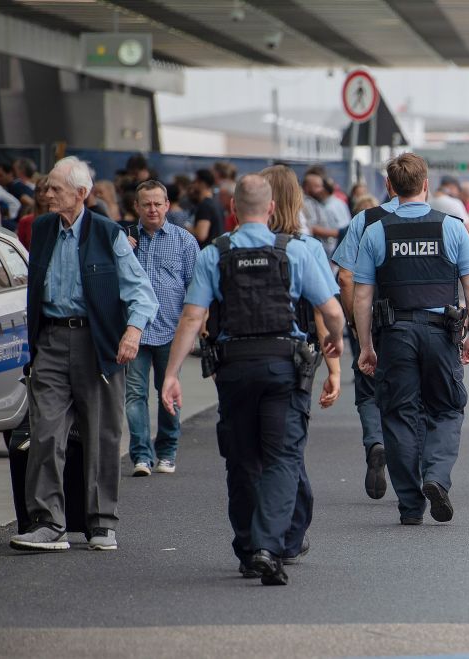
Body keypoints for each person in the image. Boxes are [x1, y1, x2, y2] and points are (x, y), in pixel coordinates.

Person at [161, 174, 344, 586]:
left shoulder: (215, 253)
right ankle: (268, 545)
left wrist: (171, 374)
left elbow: (193, 316)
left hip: (234, 369)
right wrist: (335, 343)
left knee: (241, 460)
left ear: (232, 210)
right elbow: (331, 310)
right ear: (273, 209)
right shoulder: (294, 251)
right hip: (284, 367)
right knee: (282, 458)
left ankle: (247, 548)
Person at [9, 157, 158, 552]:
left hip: (97, 344)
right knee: (44, 432)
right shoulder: (41, 229)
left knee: (101, 435)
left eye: (55, 188)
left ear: (81, 194)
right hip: (52, 342)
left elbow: (143, 293)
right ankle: (47, 523)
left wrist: (132, 332)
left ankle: (101, 522)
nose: (46, 193)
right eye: (47, 187)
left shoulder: (108, 234)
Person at [353, 153, 469, 525]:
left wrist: (366, 345)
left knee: (398, 415)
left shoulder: (376, 230)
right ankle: (437, 477)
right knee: (446, 408)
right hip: (441, 332)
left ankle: (410, 505)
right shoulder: (453, 228)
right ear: (425, 184)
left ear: (391, 187)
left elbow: (362, 296)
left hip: (394, 334)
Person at [260, 165, 344, 565]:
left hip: (237, 362)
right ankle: (289, 533)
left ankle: (254, 539)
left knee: (250, 451)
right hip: (290, 361)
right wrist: (336, 369)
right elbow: (326, 315)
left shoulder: (228, 247)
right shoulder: (306, 248)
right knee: (288, 446)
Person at [123, 180, 199, 477]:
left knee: (168, 394)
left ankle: (167, 452)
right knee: (134, 396)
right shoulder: (124, 241)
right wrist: (123, 251)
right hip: (135, 332)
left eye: (158, 203)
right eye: (147, 204)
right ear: (137, 207)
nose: (152, 209)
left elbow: (196, 289)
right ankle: (142, 455)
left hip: (172, 331)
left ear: (167, 205)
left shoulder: (184, 241)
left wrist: (196, 330)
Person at [331, 176, 399, 501]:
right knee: (411, 394)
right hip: (416, 323)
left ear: (389, 184)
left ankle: (376, 442)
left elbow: (344, 276)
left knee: (369, 391)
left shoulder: (365, 220)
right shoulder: (437, 221)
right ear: (424, 184)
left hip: (370, 319)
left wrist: (356, 326)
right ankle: (411, 469)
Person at [302, 171, 343, 256]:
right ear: (307, 187)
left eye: (321, 186)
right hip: (316, 250)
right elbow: (312, 228)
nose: (321, 189)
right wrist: (340, 233)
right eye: (317, 186)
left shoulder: (316, 202)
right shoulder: (306, 203)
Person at [190, 169, 224, 247]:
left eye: (195, 182)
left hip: (207, 252)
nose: (193, 185)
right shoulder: (218, 204)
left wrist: (187, 229)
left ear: (202, 183)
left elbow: (201, 235)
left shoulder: (205, 206)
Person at [17, 177, 49, 250]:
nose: (41, 194)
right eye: (38, 190)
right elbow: (21, 250)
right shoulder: (25, 221)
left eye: (46, 190)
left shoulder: (60, 221)